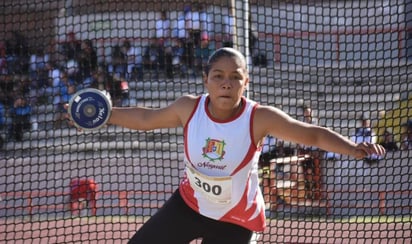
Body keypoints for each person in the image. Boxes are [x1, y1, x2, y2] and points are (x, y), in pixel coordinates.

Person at [66, 47, 385, 243]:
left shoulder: (259, 118)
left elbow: (311, 134)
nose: (226, 82)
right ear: (206, 80)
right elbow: (147, 119)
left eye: (235, 76)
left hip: (236, 221)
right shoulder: (188, 108)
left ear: (246, 82)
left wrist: (354, 148)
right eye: (218, 75)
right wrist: (103, 115)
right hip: (188, 207)